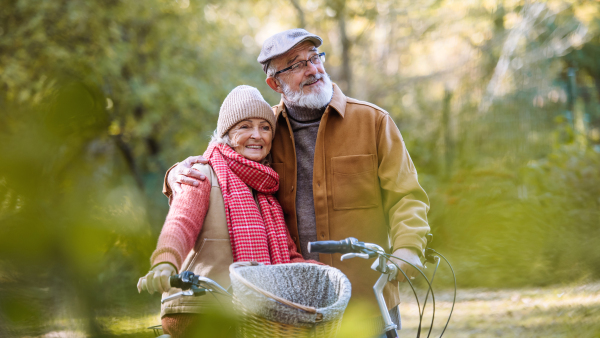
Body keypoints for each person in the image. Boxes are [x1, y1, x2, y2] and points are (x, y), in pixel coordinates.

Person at [164, 29, 431, 331]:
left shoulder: (373, 122)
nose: (312, 69)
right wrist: (175, 174)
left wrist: (408, 247)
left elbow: (407, 197)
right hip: (291, 308)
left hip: (366, 299)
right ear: (274, 82)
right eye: (295, 64)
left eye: (314, 57)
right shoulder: (265, 132)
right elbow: (221, 160)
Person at [138, 85, 317, 337]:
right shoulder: (202, 173)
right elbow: (181, 221)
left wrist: (316, 277)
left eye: (265, 127)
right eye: (245, 126)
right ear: (226, 133)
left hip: (251, 319)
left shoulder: (267, 191)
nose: (257, 135)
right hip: (200, 310)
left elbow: (286, 256)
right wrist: (165, 262)